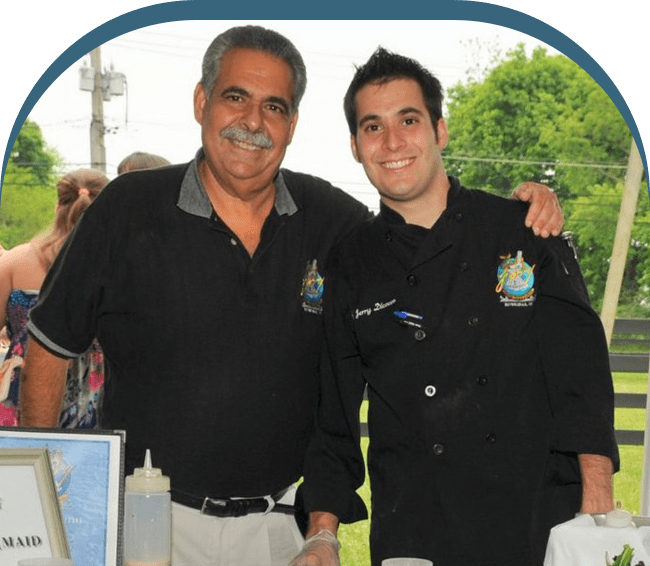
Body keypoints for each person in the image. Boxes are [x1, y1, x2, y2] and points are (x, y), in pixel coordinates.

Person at [19, 27, 563, 566]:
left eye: (274, 107)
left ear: (292, 123)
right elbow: (49, 344)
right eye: (235, 98)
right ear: (201, 101)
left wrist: (517, 214)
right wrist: (41, 503)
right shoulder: (127, 210)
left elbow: (421, 233)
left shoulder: (330, 220)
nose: (253, 122)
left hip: (279, 531)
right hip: (147, 522)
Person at [292, 48, 618, 566]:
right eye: (373, 128)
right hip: (416, 532)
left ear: (440, 130)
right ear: (355, 146)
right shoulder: (350, 264)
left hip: (536, 521)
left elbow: (580, 372)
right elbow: (332, 420)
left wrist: (596, 497)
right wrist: (321, 536)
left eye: (409, 120)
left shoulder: (522, 229)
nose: (393, 142)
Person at [0, 169, 109, 427]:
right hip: (99, 394)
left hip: (23, 391)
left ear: (57, 204)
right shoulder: (121, 263)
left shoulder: (15, 261)